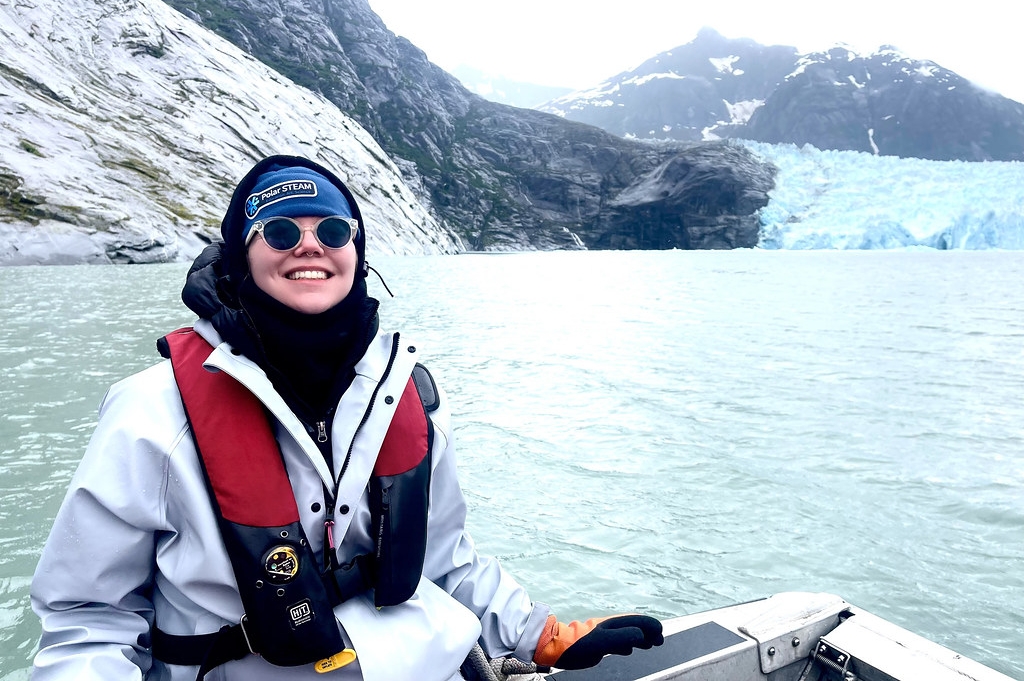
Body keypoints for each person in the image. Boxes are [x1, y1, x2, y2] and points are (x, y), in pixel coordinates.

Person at [29, 155, 663, 681]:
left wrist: (539, 634)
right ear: (241, 255)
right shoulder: (153, 409)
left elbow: (445, 559)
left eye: (332, 231)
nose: (309, 245)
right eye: (279, 231)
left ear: (356, 252)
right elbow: (86, 617)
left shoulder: (402, 392)